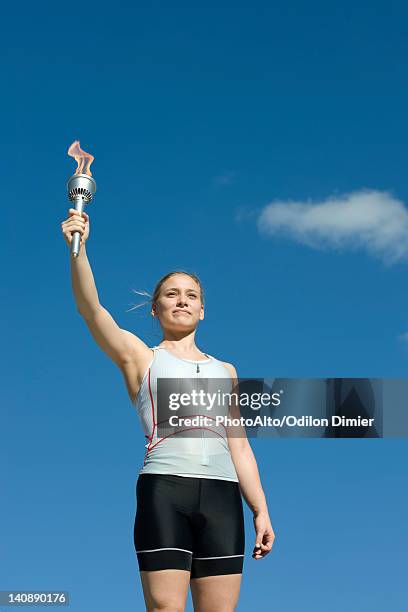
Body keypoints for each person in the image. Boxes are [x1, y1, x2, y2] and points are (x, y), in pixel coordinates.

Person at [61, 208, 275, 611]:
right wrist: (79, 250)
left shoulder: (225, 370)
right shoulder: (140, 358)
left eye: (191, 295)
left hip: (223, 497)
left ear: (202, 310)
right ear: (155, 309)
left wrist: (261, 509)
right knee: (165, 608)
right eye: (171, 294)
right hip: (165, 489)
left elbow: (240, 447)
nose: (182, 300)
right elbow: (91, 311)